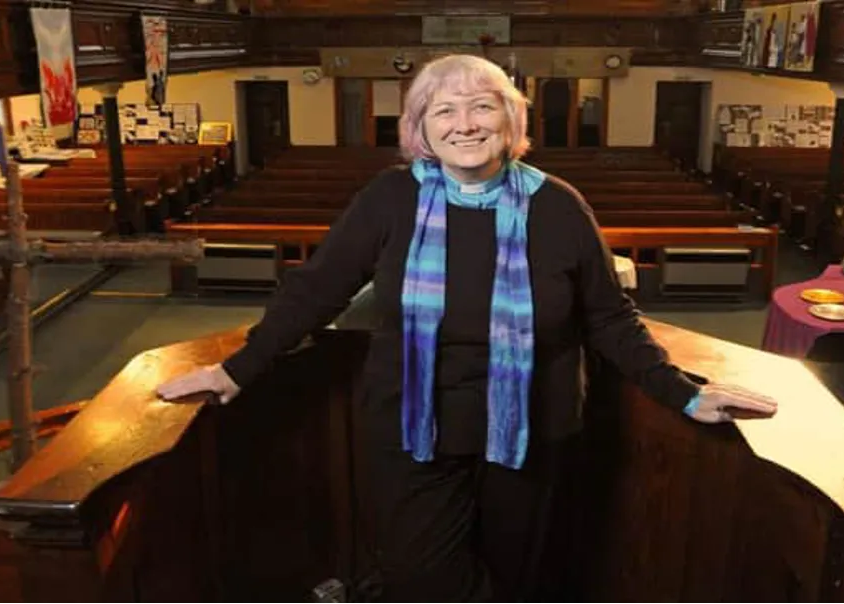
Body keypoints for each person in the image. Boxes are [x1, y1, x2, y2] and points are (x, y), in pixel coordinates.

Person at [156, 53, 778, 604]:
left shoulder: (558, 205)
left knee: (514, 574)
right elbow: (315, 291)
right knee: (420, 577)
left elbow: (610, 318)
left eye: (483, 107)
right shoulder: (390, 198)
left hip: (529, 426)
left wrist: (685, 393)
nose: (466, 124)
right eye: (444, 110)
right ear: (420, 128)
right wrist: (238, 368)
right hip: (412, 422)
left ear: (511, 123)